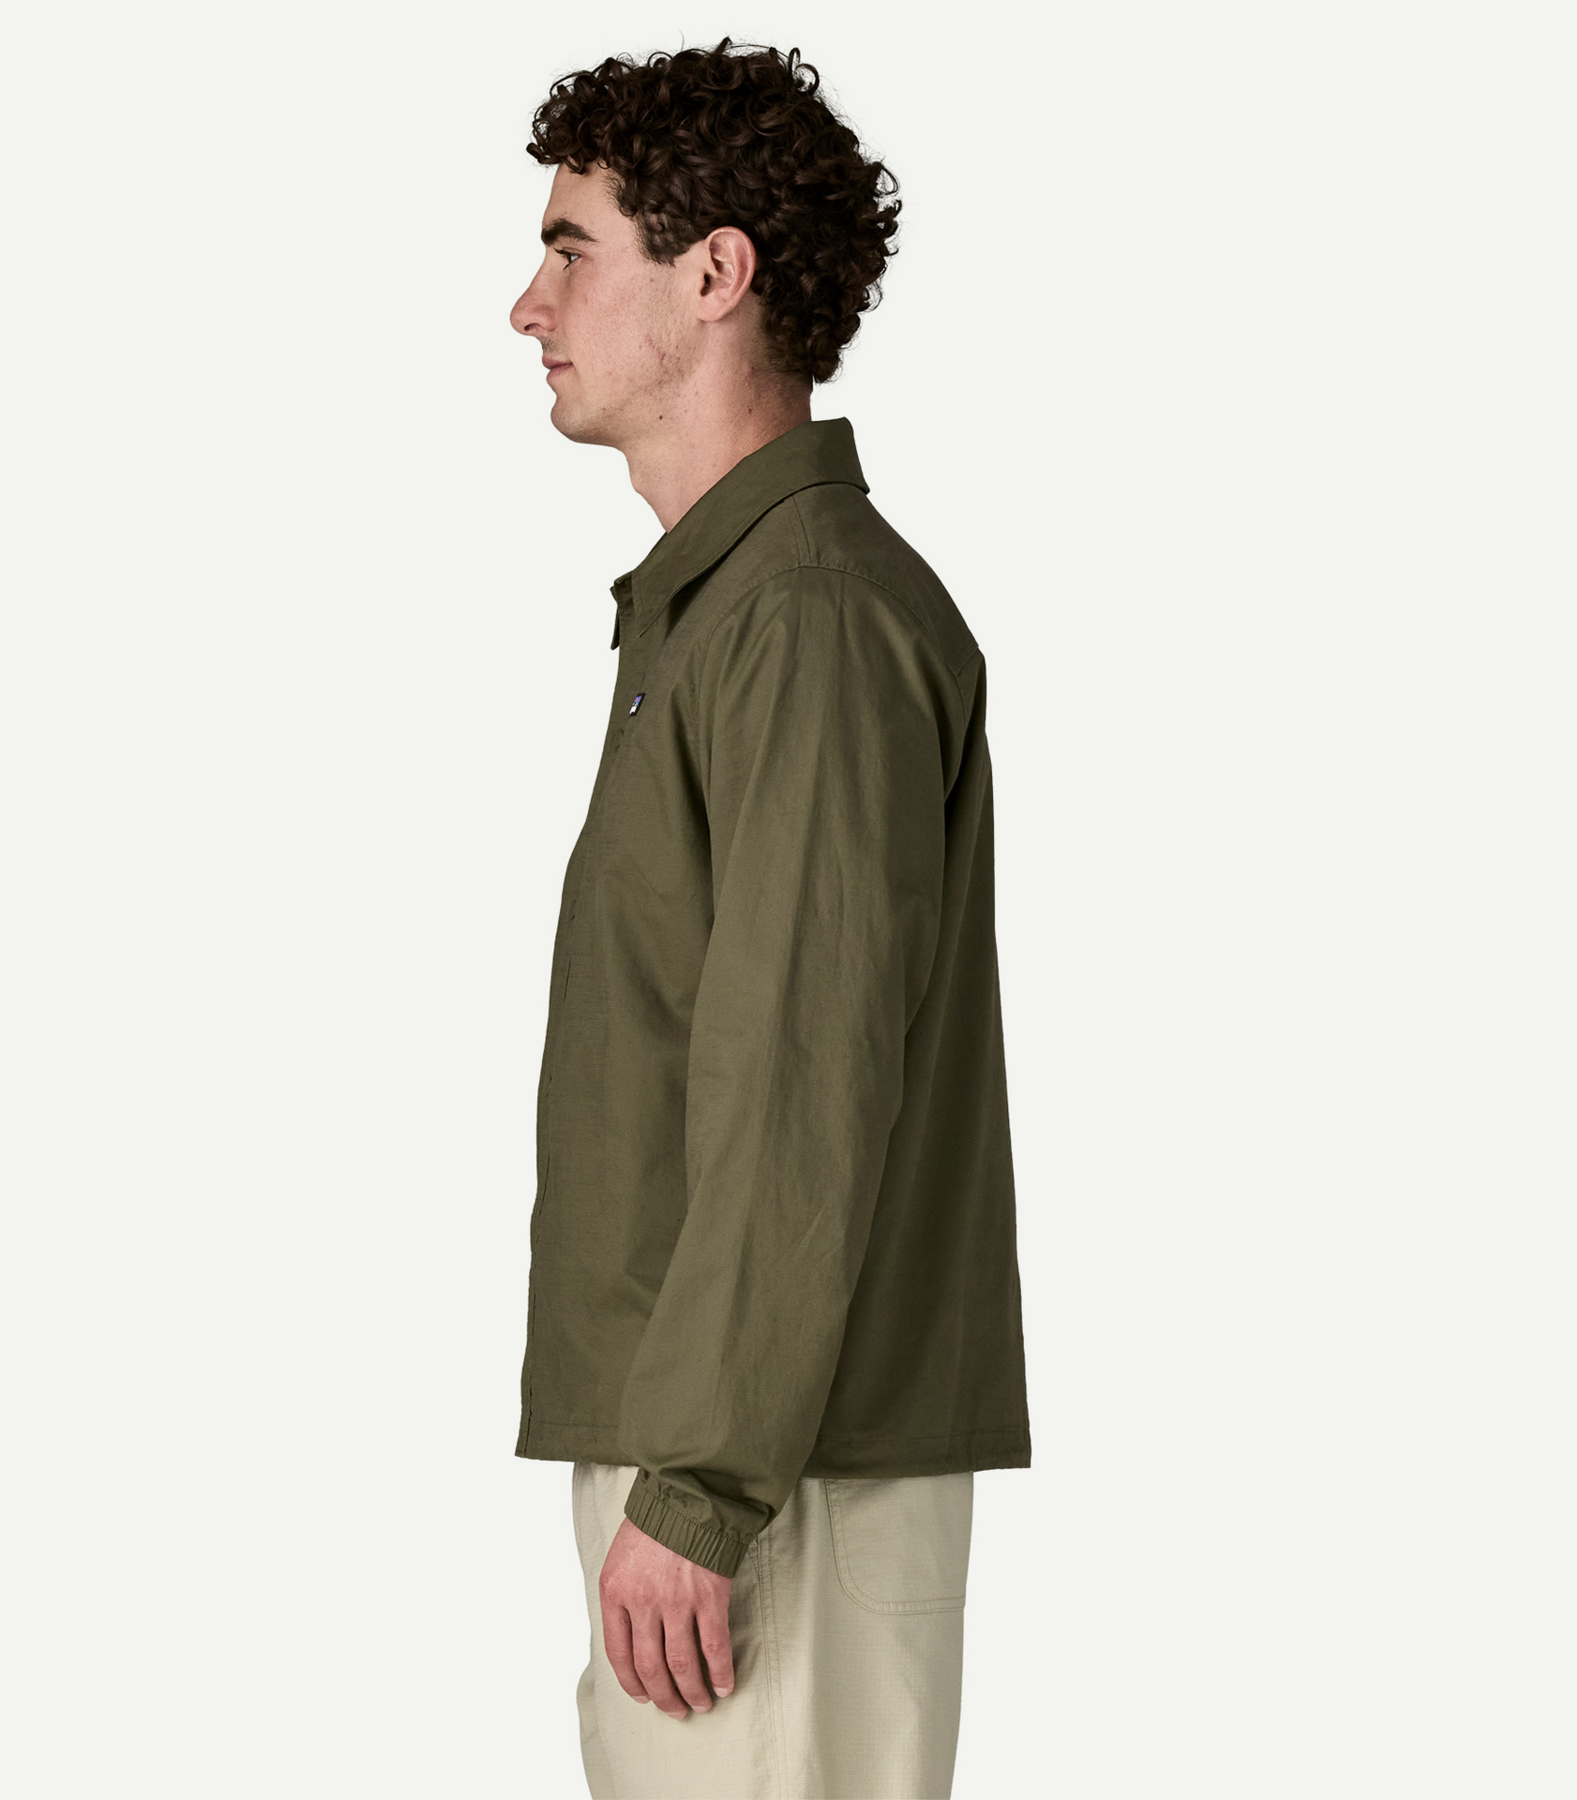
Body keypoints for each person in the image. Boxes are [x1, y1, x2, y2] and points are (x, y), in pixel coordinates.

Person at [508, 41, 1030, 1800]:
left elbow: (802, 1071)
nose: (528, 305)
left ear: (714, 273)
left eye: (573, 249)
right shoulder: (731, 610)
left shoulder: (801, 618)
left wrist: (703, 1490)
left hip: (765, 1476)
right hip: (732, 1449)